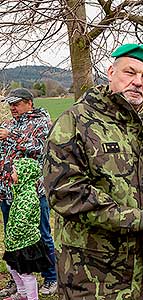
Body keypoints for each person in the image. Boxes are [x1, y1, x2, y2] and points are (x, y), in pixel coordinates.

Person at [43, 44, 143, 299]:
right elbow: (65, 192)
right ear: (111, 72)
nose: (137, 82)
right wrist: (138, 218)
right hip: (95, 279)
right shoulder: (77, 121)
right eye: (129, 72)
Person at [0, 88, 57, 297]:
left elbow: (40, 148)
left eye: (17, 103)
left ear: (29, 103)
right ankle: (19, 281)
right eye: (10, 104)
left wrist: (11, 136)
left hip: (32, 192)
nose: (12, 108)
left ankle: (51, 278)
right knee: (13, 238)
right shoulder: (10, 123)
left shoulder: (40, 122)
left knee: (41, 234)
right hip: (7, 191)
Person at [3, 157, 52, 300]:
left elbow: (21, 222)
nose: (10, 174)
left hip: (25, 243)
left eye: (14, 171)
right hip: (15, 242)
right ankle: (22, 293)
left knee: (25, 273)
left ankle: (31, 297)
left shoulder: (28, 197)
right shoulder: (19, 191)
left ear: (25, 174)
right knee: (11, 267)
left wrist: (12, 234)